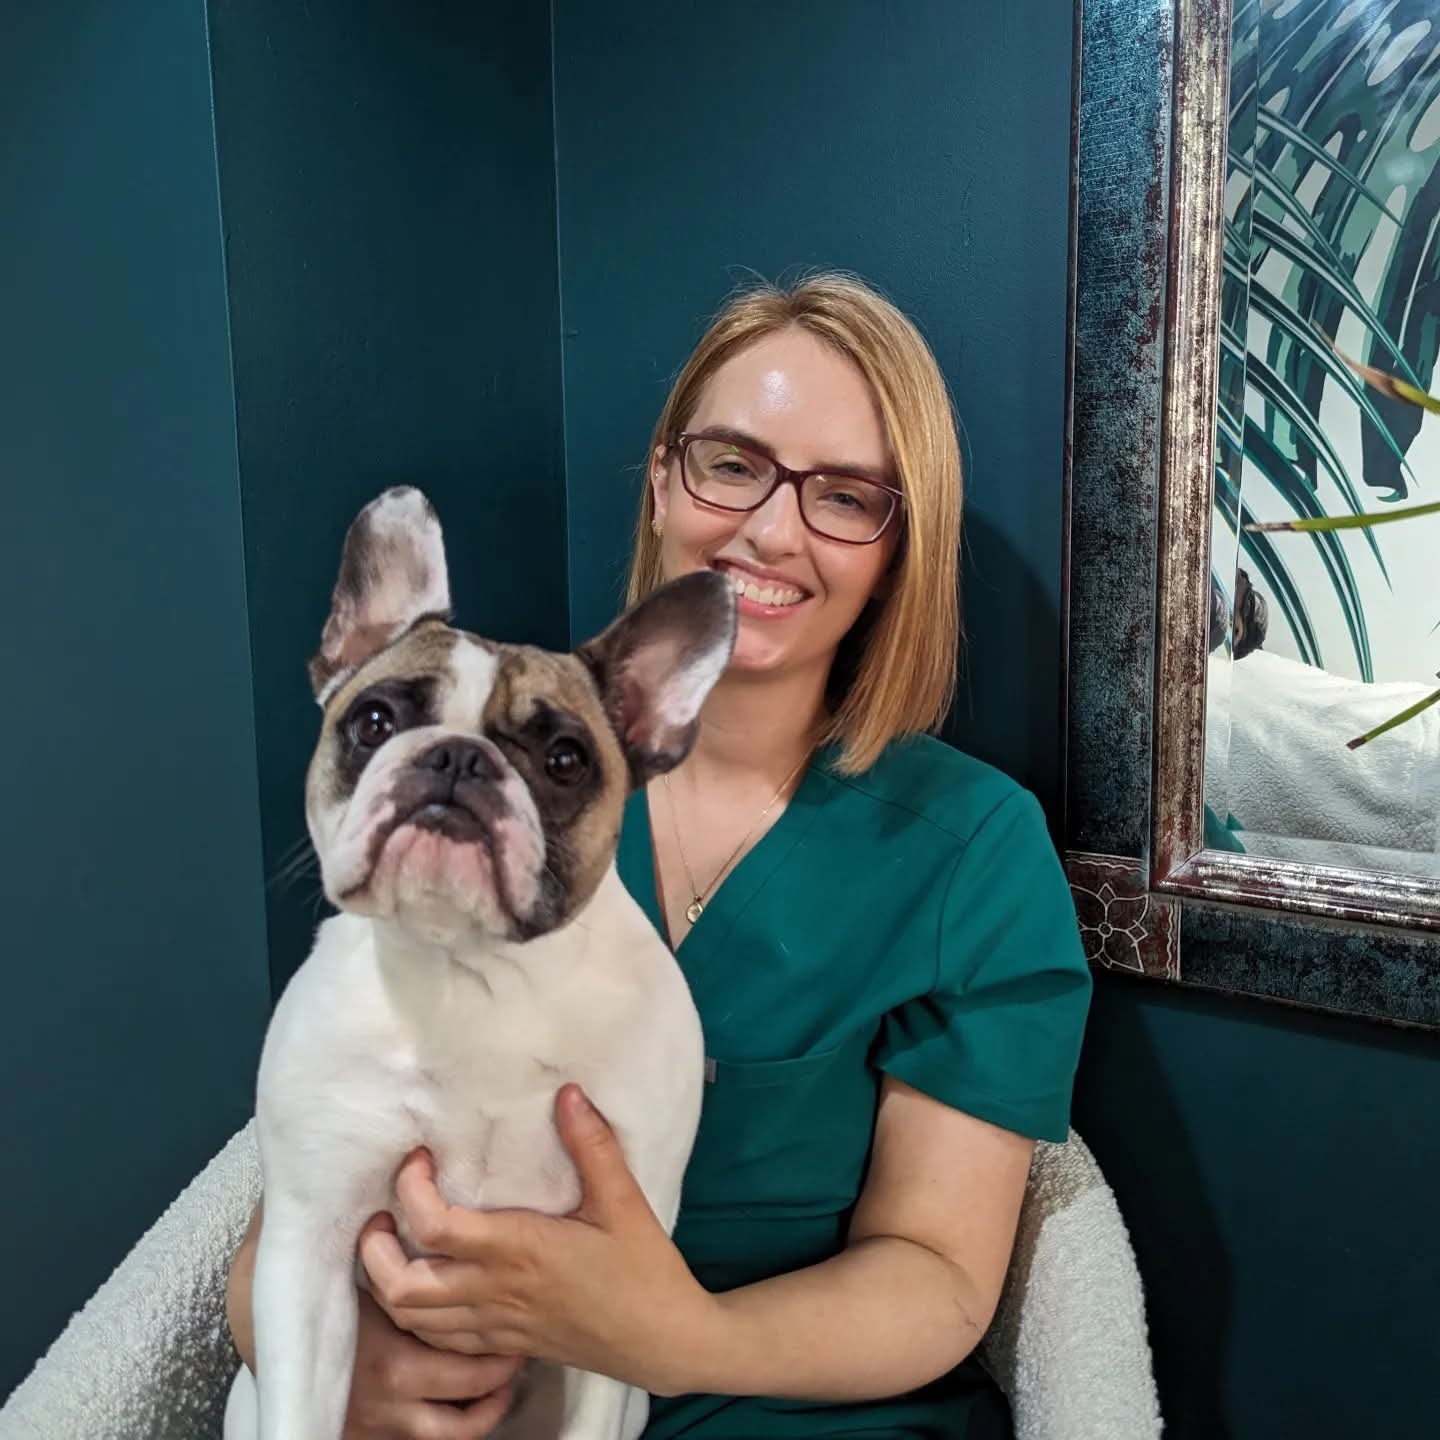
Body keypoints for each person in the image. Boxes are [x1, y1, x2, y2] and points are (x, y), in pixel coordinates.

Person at [226, 272, 1093, 1438]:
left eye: (844, 496)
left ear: (900, 547)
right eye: (732, 463)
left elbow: (938, 1273)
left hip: (784, 1410)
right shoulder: (500, 763)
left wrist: (667, 1334)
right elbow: (296, 1210)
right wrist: (344, 1369)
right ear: (662, 476)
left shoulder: (970, 851)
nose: (770, 528)